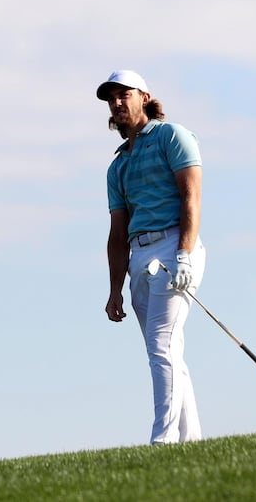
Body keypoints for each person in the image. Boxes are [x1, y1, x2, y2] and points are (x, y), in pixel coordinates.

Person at [98, 69, 206, 444]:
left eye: (123, 94)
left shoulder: (171, 136)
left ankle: (161, 442)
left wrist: (185, 255)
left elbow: (191, 197)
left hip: (174, 248)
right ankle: (190, 441)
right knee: (168, 351)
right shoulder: (118, 165)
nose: (116, 103)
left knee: (161, 346)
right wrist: (115, 289)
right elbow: (116, 233)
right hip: (138, 257)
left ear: (144, 96)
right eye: (110, 98)